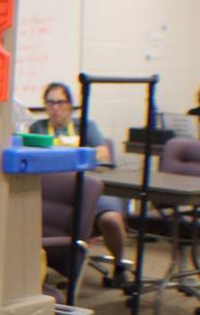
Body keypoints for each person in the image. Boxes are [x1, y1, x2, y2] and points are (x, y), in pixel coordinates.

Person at [30, 81, 130, 286]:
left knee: (110, 219)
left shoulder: (85, 126)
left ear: (70, 105)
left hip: (89, 187)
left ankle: (119, 265)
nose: (55, 108)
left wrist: (67, 158)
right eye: (50, 103)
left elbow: (103, 155)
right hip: (57, 193)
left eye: (60, 102)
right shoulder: (38, 128)